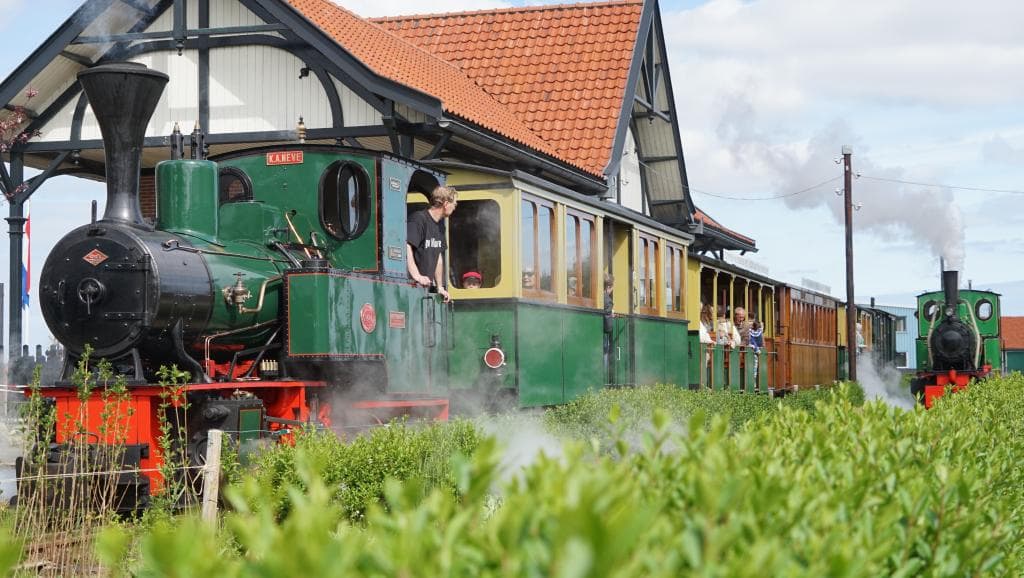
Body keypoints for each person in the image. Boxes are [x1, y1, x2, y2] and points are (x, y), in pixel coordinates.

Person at [407, 185, 457, 302]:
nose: (455, 207)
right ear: (445, 204)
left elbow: (437, 256)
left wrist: (440, 286)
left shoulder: (440, 226)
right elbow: (407, 246)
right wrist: (417, 275)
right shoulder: (418, 219)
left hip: (425, 288)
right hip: (411, 287)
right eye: (454, 203)